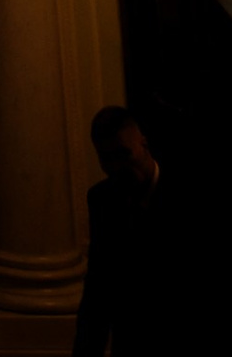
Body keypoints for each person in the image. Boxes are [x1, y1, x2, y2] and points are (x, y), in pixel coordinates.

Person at [73, 108, 169, 353]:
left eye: (123, 154)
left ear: (144, 144)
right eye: (106, 159)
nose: (116, 167)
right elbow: (97, 290)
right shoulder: (102, 200)